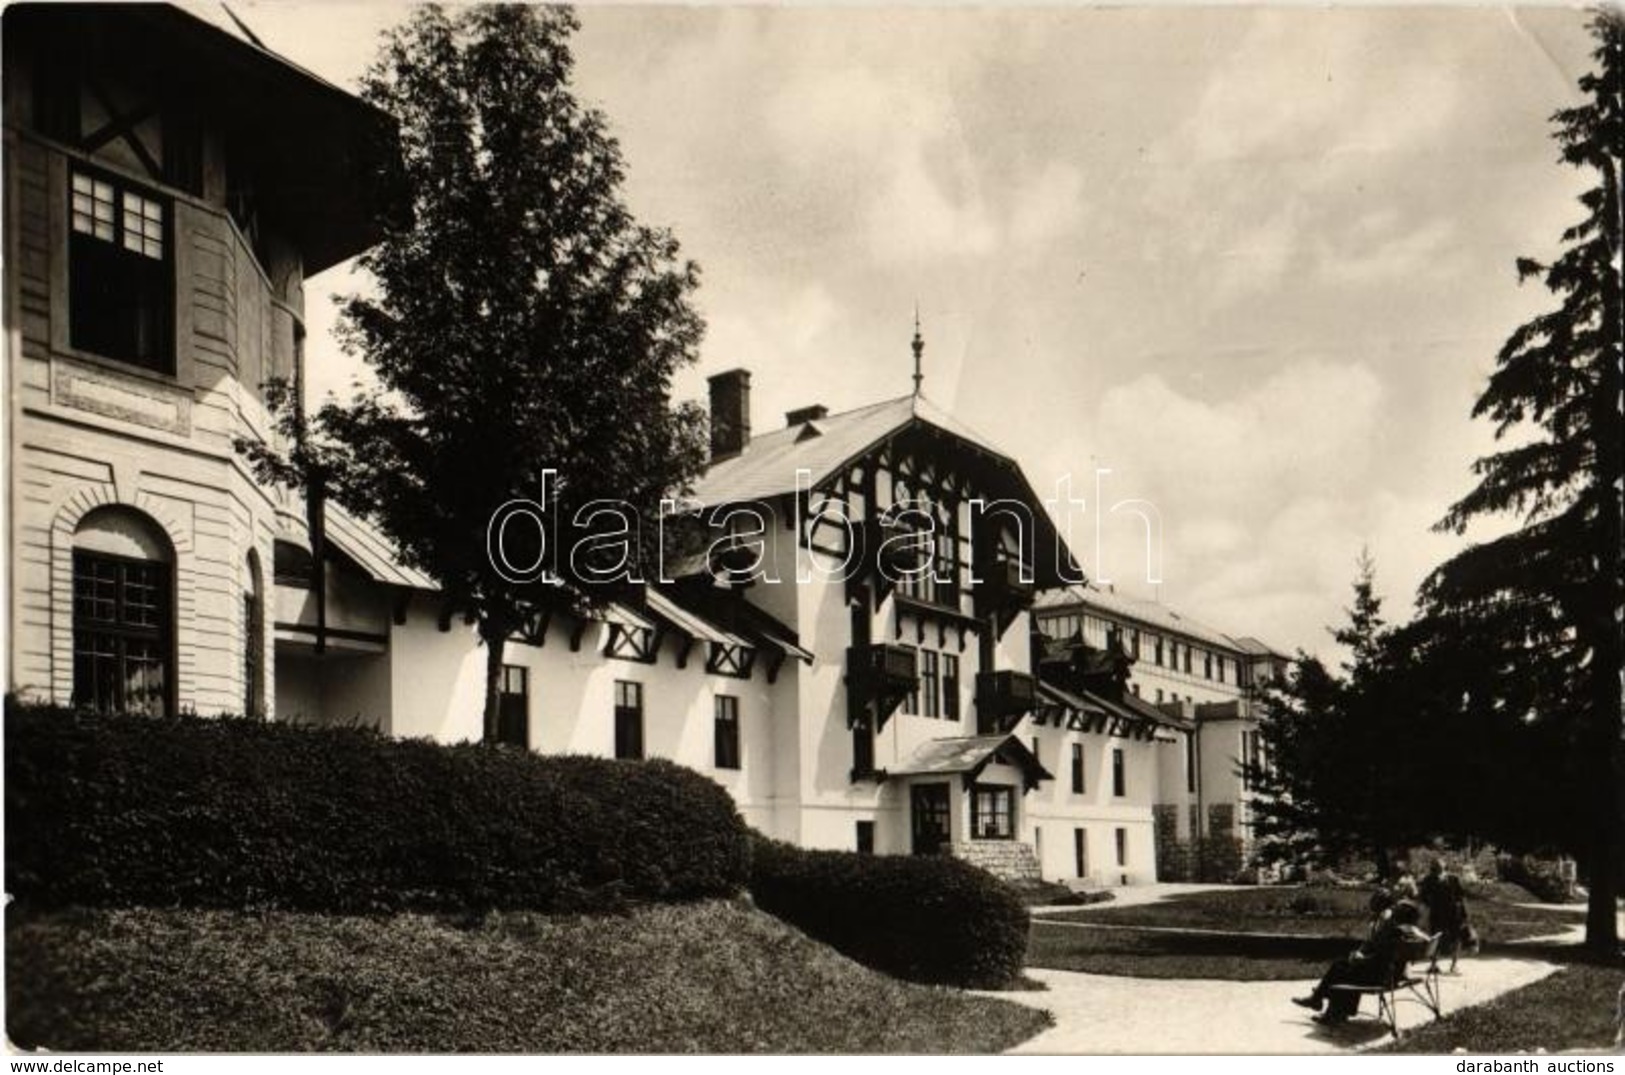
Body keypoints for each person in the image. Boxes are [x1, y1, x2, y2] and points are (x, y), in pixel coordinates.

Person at [1292, 891, 1429, 1025]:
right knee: (1344, 966)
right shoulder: (1405, 931)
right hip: (1390, 975)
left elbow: (1380, 957)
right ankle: (1329, 1006)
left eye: (1395, 909)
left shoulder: (1393, 932)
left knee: (1341, 969)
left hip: (1380, 977)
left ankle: (1329, 1010)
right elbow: (1382, 953)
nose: (1392, 910)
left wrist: (1361, 959)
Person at [1417, 858, 1471, 972]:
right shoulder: (1428, 880)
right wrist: (1428, 907)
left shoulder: (1453, 878)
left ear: (1444, 866)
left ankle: (1454, 965)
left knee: (1456, 938)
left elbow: (1461, 897)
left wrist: (1465, 914)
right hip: (1437, 913)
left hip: (1454, 913)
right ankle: (1433, 965)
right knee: (1435, 937)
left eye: (1440, 864)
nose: (1438, 867)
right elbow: (1423, 897)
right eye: (1435, 865)